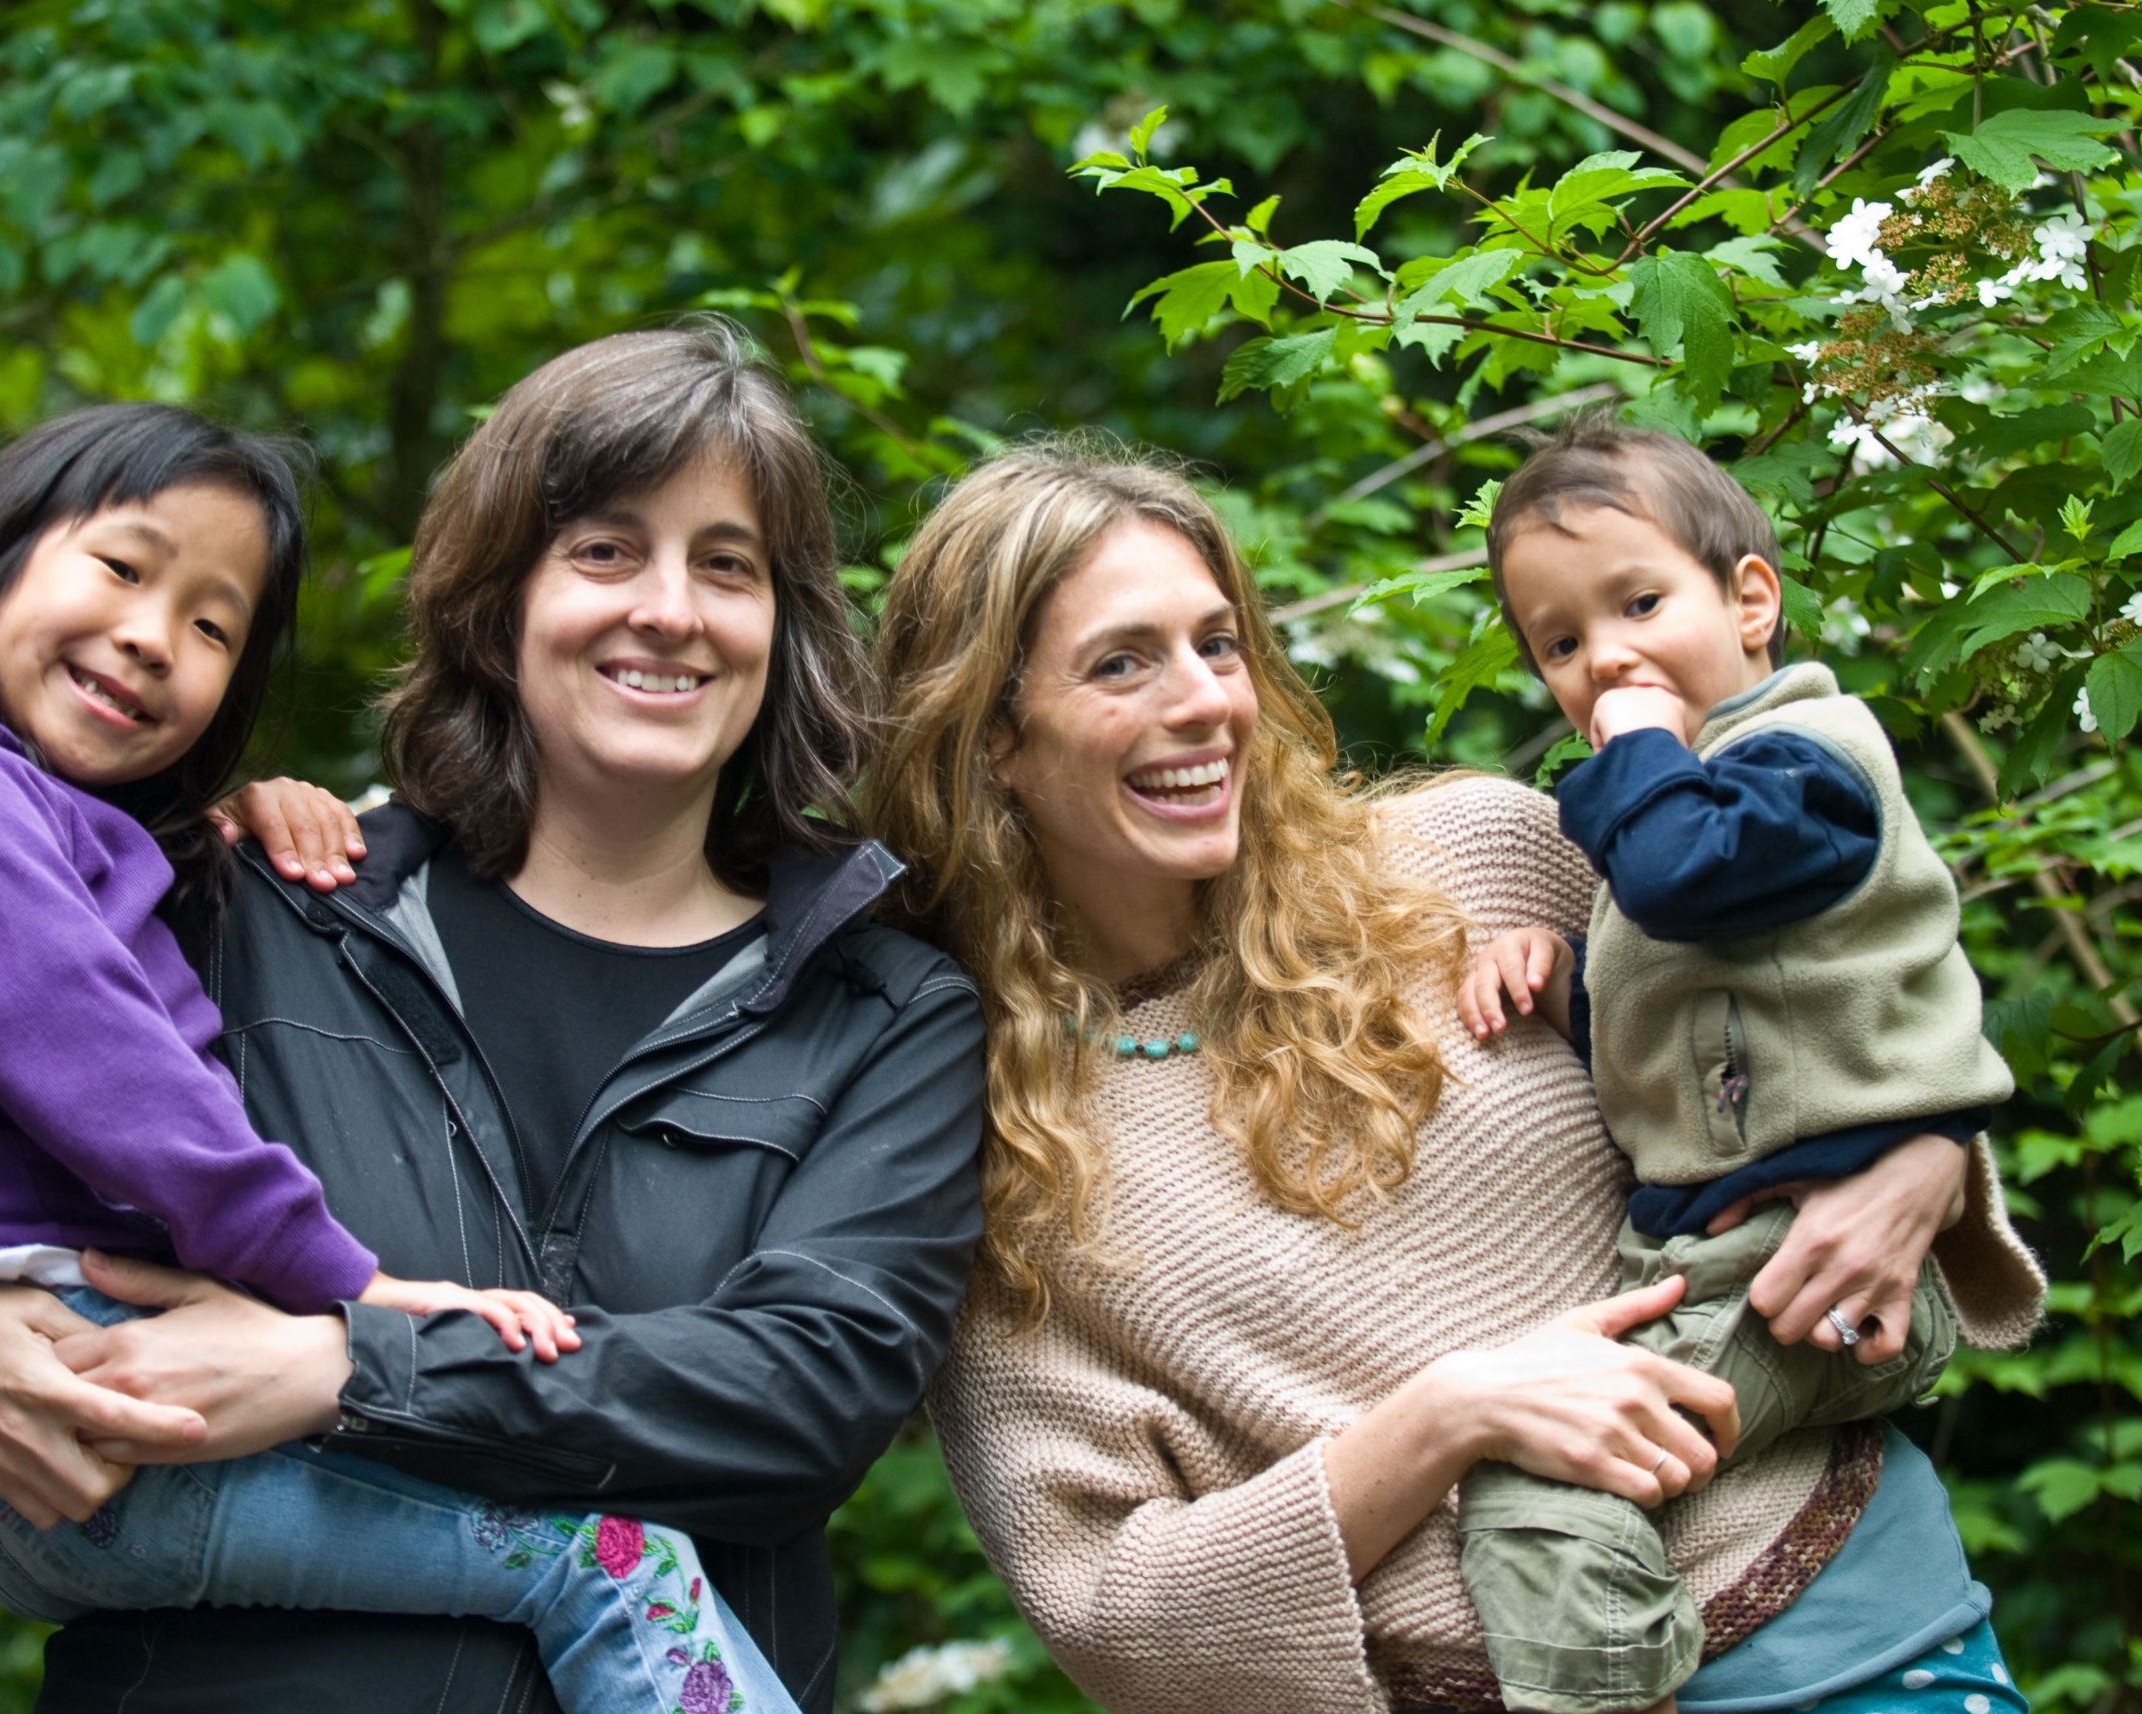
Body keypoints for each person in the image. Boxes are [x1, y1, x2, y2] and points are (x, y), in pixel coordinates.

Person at [0, 324, 987, 1714]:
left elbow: (801, 1397)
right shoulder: (251, 906)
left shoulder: (880, 1010)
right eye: (603, 550)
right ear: (497, 601)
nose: (670, 607)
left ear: (783, 624)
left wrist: (349, 1363)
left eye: (728, 564)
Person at [865, 441, 2047, 1714]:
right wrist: (1446, 1418)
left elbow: (1817, 1015)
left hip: (1859, 1640)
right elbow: (1116, 1609)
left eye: (1220, 643)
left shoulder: (1478, 856)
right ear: (993, 735)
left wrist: (1928, 1156)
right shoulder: (978, 1130)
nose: (1206, 700)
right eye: (1121, 661)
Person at [1443, 417, 2018, 1714]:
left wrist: (1635, 745)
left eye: (1640, 602)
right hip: (1733, 1255)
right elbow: (1707, 1046)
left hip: (1812, 1266)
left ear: (1751, 598)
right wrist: (1562, 976)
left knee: (1547, 1484)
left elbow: (1688, 880)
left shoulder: (1807, 764)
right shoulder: (1685, 811)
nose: (1609, 659)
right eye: (1563, 643)